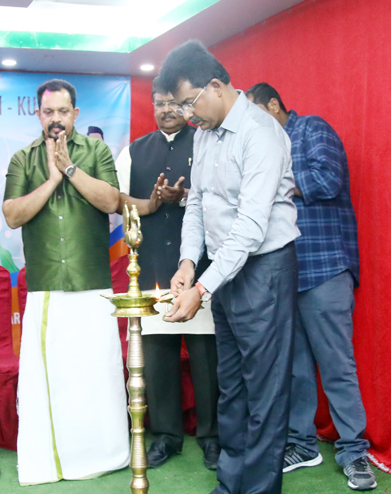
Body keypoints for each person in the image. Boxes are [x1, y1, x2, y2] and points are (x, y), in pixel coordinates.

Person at [159, 40, 299, 494]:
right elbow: (198, 203)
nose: (186, 115)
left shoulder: (260, 133)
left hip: (264, 270)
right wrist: (187, 262)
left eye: (189, 102)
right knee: (232, 386)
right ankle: (231, 483)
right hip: (225, 271)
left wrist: (201, 288)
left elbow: (251, 226)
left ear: (216, 86)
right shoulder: (205, 132)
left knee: (265, 392)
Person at [246, 82, 375, 491]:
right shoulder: (260, 146)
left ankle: (354, 451)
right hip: (283, 272)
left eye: (255, 112)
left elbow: (328, 180)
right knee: (295, 367)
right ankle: (302, 445)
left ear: (273, 105)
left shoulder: (311, 129)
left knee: (337, 364)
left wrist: (274, 180)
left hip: (324, 267)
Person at [3, 78, 129, 486]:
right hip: (47, 285)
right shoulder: (24, 158)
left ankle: (103, 454)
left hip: (92, 282)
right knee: (51, 380)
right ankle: (51, 461)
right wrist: (52, 179)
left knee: (96, 374)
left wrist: (70, 169)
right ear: (38, 114)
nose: (55, 119)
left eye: (62, 111)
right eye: (48, 112)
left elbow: (111, 202)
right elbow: (12, 214)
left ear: (75, 113)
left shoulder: (96, 151)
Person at [115, 75, 219, 471]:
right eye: (159, 103)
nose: (166, 110)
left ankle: (212, 437)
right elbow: (116, 201)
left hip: (202, 271)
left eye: (173, 103)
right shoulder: (133, 152)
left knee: (206, 359)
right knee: (157, 358)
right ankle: (166, 436)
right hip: (153, 269)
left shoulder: (207, 141)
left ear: (185, 104)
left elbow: (222, 197)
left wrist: (186, 196)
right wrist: (150, 202)